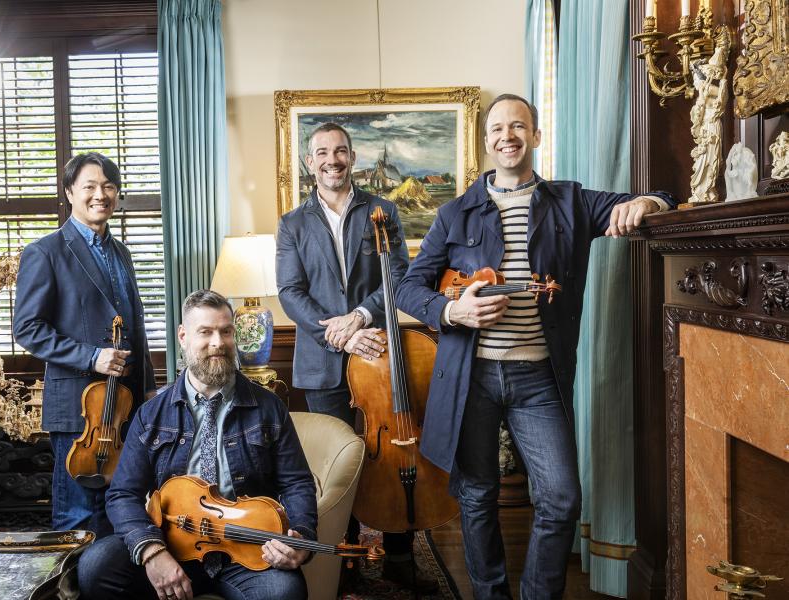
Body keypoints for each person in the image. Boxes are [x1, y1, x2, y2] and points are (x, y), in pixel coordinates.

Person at [394, 94, 676, 598]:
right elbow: (408, 288)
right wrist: (452, 311)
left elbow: (659, 197)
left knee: (562, 498)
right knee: (477, 497)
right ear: (487, 141)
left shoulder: (570, 201)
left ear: (536, 136)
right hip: (472, 376)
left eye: (519, 126)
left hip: (538, 377)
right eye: (498, 128)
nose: (508, 136)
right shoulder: (454, 214)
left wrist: (646, 203)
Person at [275, 122, 435, 591]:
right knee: (335, 466)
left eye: (340, 151)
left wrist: (362, 317)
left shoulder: (382, 210)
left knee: (389, 456)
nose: (332, 160)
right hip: (322, 362)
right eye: (322, 152)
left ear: (353, 157)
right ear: (310, 162)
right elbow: (290, 292)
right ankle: (343, 563)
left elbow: (399, 274)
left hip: (379, 354)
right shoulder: (292, 223)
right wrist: (339, 335)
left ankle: (400, 560)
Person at [77, 290, 316, 600]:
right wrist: (152, 551)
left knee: (286, 592)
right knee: (95, 567)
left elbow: (297, 483)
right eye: (206, 332)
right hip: (171, 542)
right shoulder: (152, 413)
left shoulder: (269, 407)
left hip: (245, 551)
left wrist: (301, 538)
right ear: (183, 336)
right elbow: (123, 493)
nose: (218, 342)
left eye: (226, 331)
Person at [14, 152, 157, 536]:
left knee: (119, 509)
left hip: (125, 407)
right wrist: (92, 357)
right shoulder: (45, 252)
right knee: (76, 517)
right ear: (69, 193)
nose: (101, 194)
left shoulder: (121, 252)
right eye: (90, 186)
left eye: (109, 186)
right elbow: (27, 328)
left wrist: (148, 389)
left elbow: (134, 327)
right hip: (80, 410)